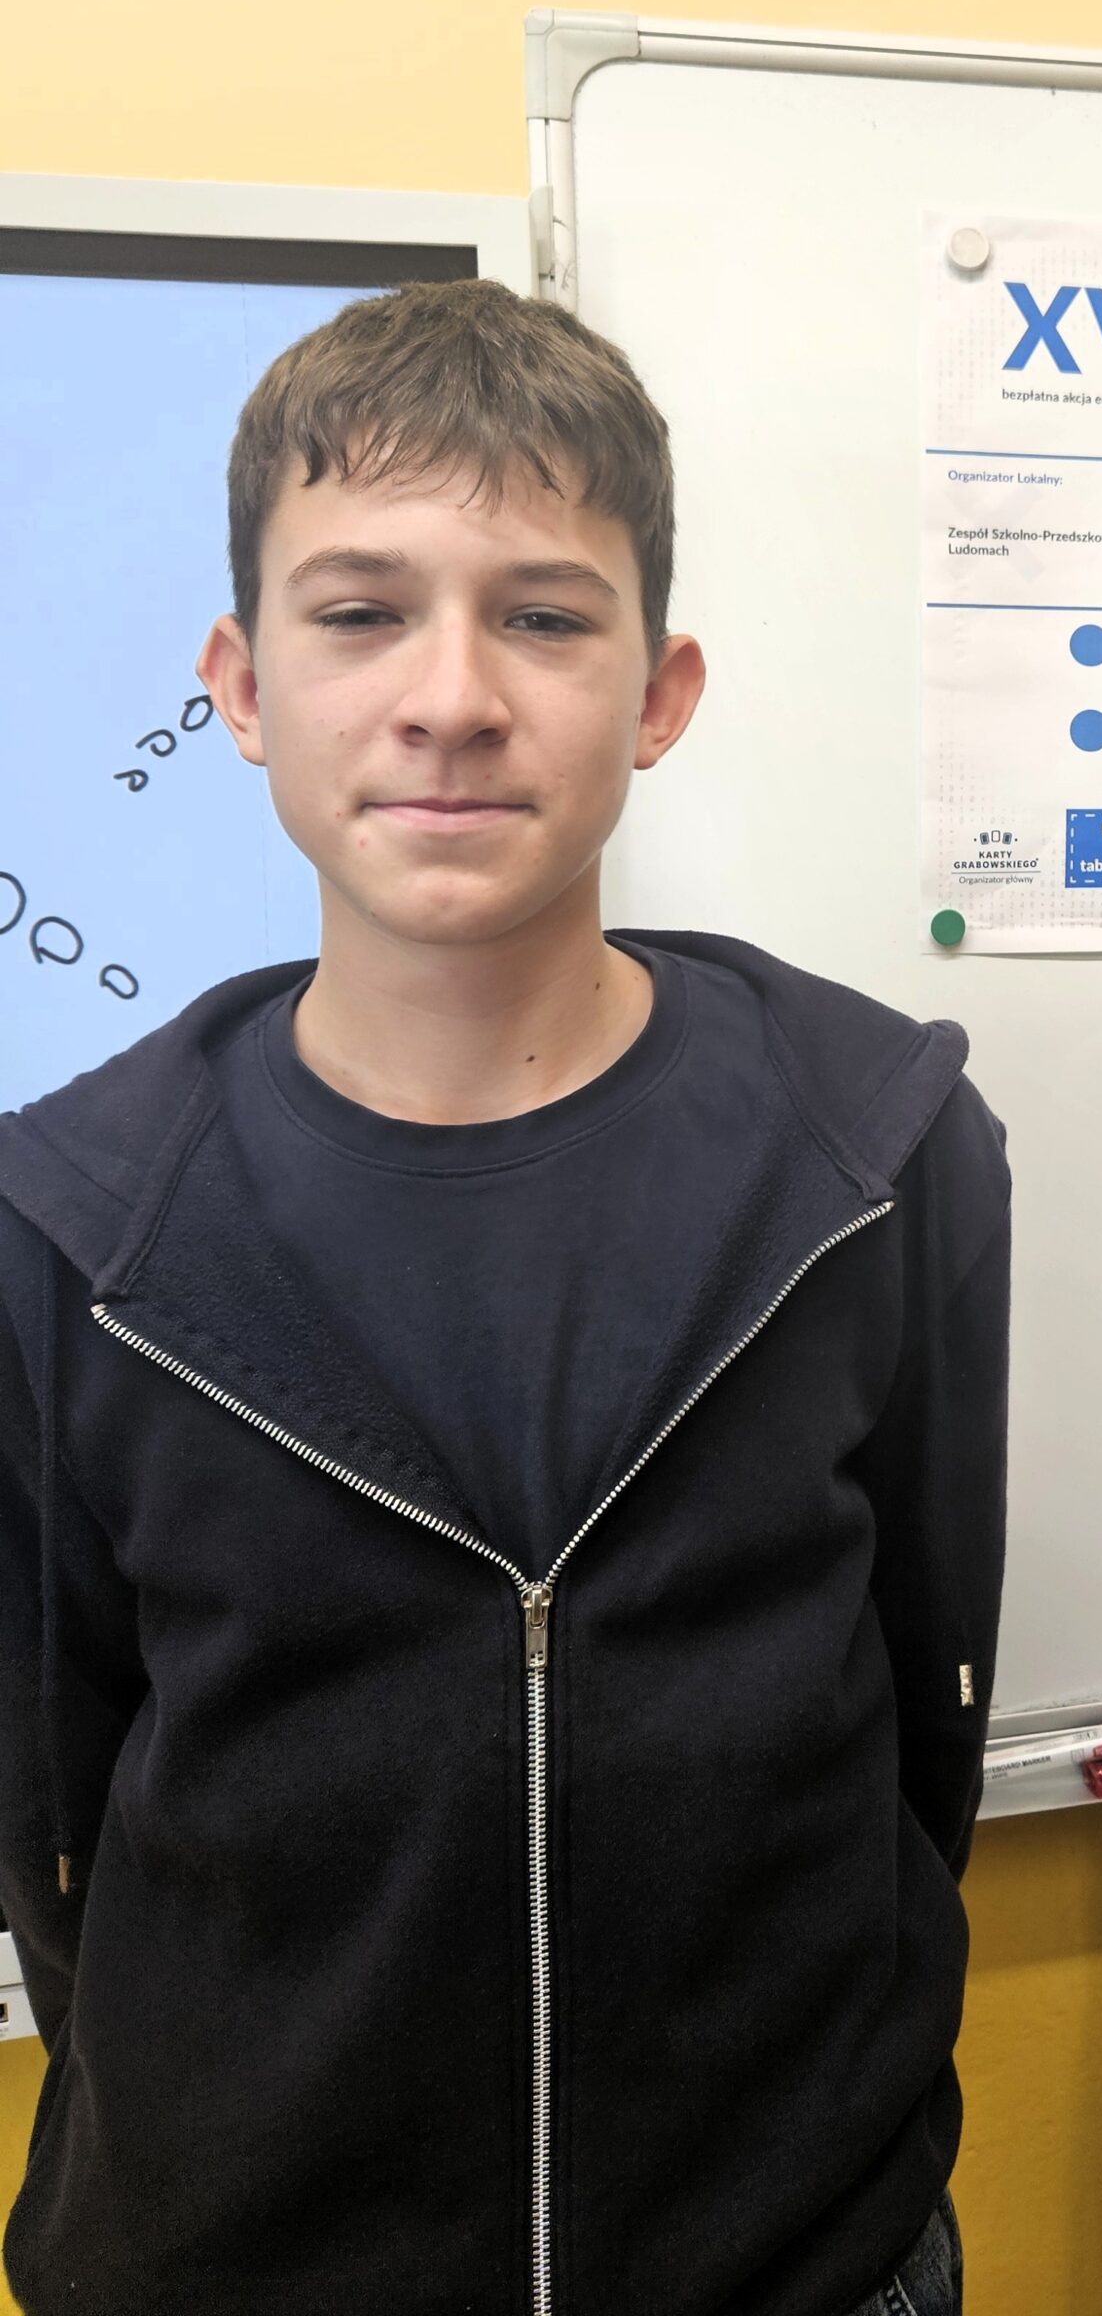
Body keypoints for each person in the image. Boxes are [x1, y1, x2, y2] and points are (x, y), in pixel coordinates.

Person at [0, 280, 1008, 2316]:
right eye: (360, 612)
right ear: (242, 684)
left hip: (803, 2262)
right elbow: (58, 1818)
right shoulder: (78, 1225)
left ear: (659, 691)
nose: (450, 696)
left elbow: (922, 1707)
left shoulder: (874, 1156)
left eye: (543, 616)